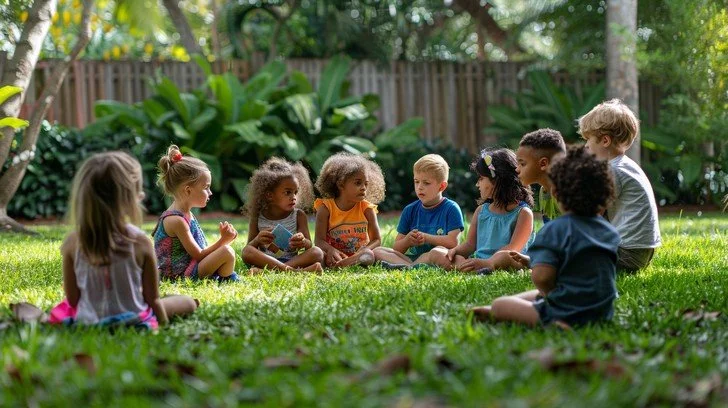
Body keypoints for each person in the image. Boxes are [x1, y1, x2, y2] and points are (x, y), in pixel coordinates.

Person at [471, 146, 620, 327]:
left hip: (568, 309)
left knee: (500, 304)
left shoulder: (555, 230)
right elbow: (581, 263)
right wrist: (531, 263)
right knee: (532, 295)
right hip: (602, 310)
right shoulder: (609, 231)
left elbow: (542, 277)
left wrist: (549, 293)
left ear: (555, 193)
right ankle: (503, 310)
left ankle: (554, 321)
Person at [49, 151, 197, 329]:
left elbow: (73, 300)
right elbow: (152, 299)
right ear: (133, 199)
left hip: (89, 321)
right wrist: (162, 325)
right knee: (186, 302)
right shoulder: (140, 242)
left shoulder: (72, 242)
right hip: (133, 318)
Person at [580, 99, 661, 271]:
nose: (585, 145)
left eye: (588, 139)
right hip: (640, 252)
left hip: (626, 253)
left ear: (605, 140)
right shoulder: (625, 165)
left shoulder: (612, 170)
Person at [428, 148, 534, 273]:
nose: (477, 184)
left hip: (507, 261)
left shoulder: (523, 213)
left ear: (497, 180)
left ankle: (482, 267)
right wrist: (455, 251)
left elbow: (513, 249)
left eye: (481, 178)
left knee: (505, 256)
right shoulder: (481, 211)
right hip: (479, 260)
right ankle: (474, 268)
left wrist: (489, 261)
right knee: (437, 252)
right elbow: (470, 245)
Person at [152, 145, 239, 281]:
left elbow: (200, 250)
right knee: (226, 252)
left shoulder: (186, 214)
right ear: (188, 190)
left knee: (225, 251)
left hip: (191, 266)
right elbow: (199, 255)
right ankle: (225, 279)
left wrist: (226, 240)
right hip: (180, 275)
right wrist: (223, 241)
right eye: (206, 187)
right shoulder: (176, 220)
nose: (210, 192)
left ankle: (224, 278)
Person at [373, 154, 464, 268]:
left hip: (438, 257)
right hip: (415, 258)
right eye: (416, 181)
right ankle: (411, 266)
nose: (419, 187)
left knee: (437, 252)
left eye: (426, 183)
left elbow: (453, 242)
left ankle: (408, 266)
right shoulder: (410, 210)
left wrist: (426, 238)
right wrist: (407, 241)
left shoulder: (451, 208)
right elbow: (397, 249)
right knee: (378, 251)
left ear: (441, 186)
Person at [242, 157, 324, 273]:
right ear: (270, 195)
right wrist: (257, 240)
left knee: (317, 252)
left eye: (295, 192)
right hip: (266, 260)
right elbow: (250, 246)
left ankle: (272, 272)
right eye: (287, 192)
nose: (293, 197)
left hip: (293, 260)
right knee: (247, 251)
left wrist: (302, 241)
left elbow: (309, 245)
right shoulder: (257, 217)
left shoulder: (298, 215)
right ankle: (294, 272)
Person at [313, 152, 386, 267]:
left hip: (361, 256)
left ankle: (343, 264)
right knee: (317, 254)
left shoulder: (367, 209)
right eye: (358, 183)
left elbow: (376, 240)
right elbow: (318, 241)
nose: (363, 188)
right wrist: (331, 250)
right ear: (341, 184)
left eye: (366, 184)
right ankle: (342, 263)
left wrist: (364, 250)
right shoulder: (325, 208)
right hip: (334, 256)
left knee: (370, 254)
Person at [515, 128, 567, 223]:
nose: (517, 169)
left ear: (543, 164)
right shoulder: (543, 191)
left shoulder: (567, 192)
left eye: (522, 164)